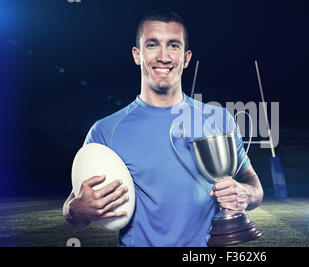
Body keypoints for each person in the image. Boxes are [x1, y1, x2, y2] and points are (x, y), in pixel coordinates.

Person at [62, 10, 263, 247]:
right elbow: (74, 213)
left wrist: (245, 193)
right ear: (137, 54)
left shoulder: (219, 119)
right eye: (152, 44)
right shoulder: (105, 130)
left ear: (187, 58)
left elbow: (253, 185)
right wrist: (78, 210)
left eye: (174, 45)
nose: (164, 56)